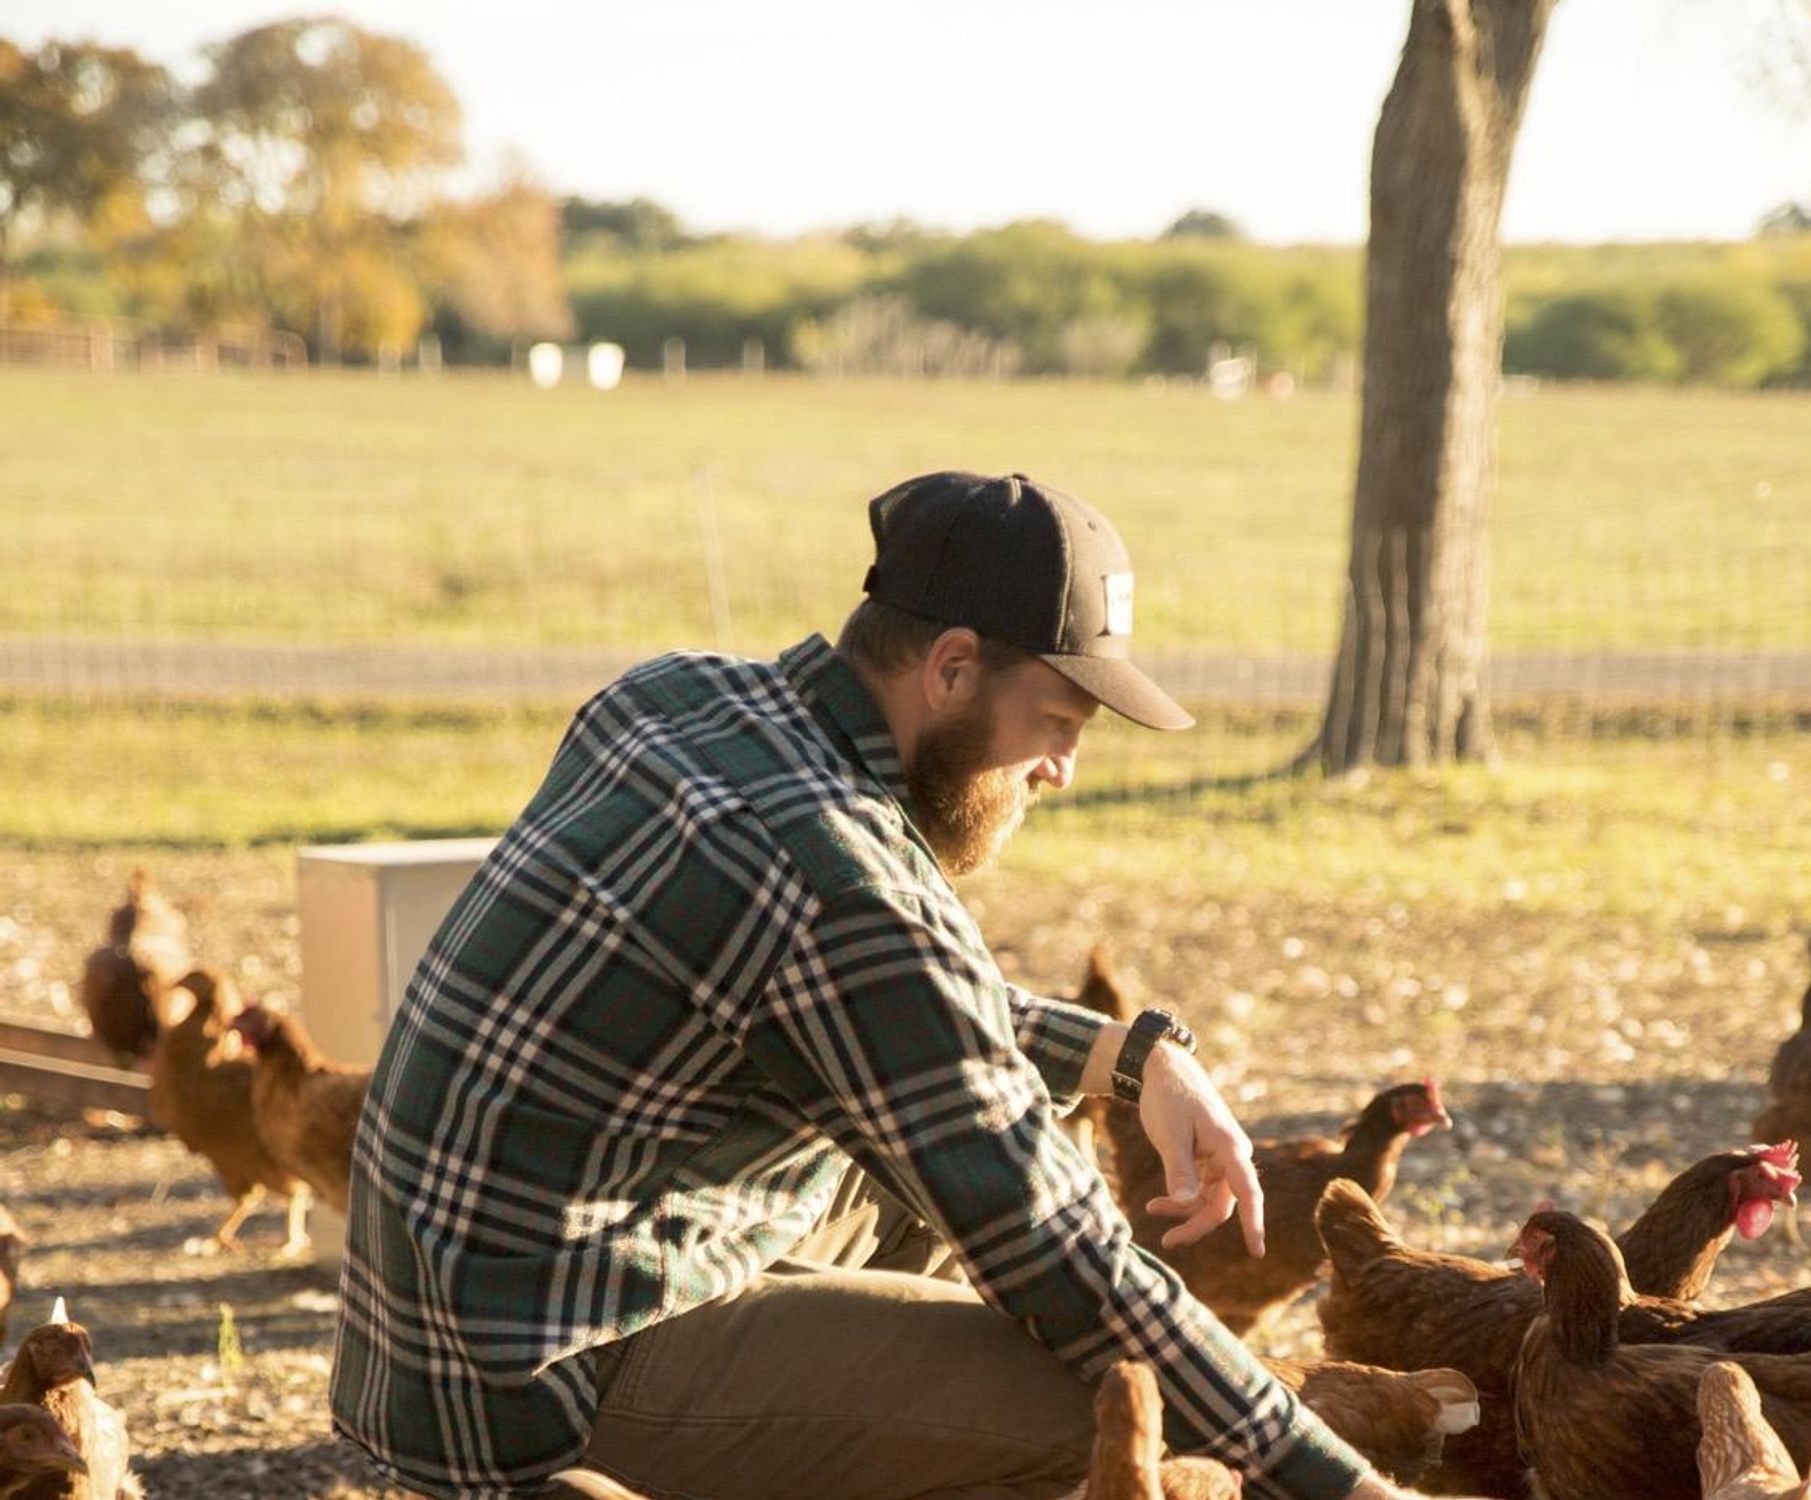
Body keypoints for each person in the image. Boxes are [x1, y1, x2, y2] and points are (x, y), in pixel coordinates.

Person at [330, 470, 1444, 1500]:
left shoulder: (681, 699)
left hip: (451, 1323)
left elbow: (894, 1015)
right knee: (1112, 1412)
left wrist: (1134, 1058)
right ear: (950, 668)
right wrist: (1347, 1489)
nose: (1060, 769)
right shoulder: (827, 873)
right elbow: (1066, 1259)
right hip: (540, 1384)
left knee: (947, 1161)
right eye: (1055, 722)